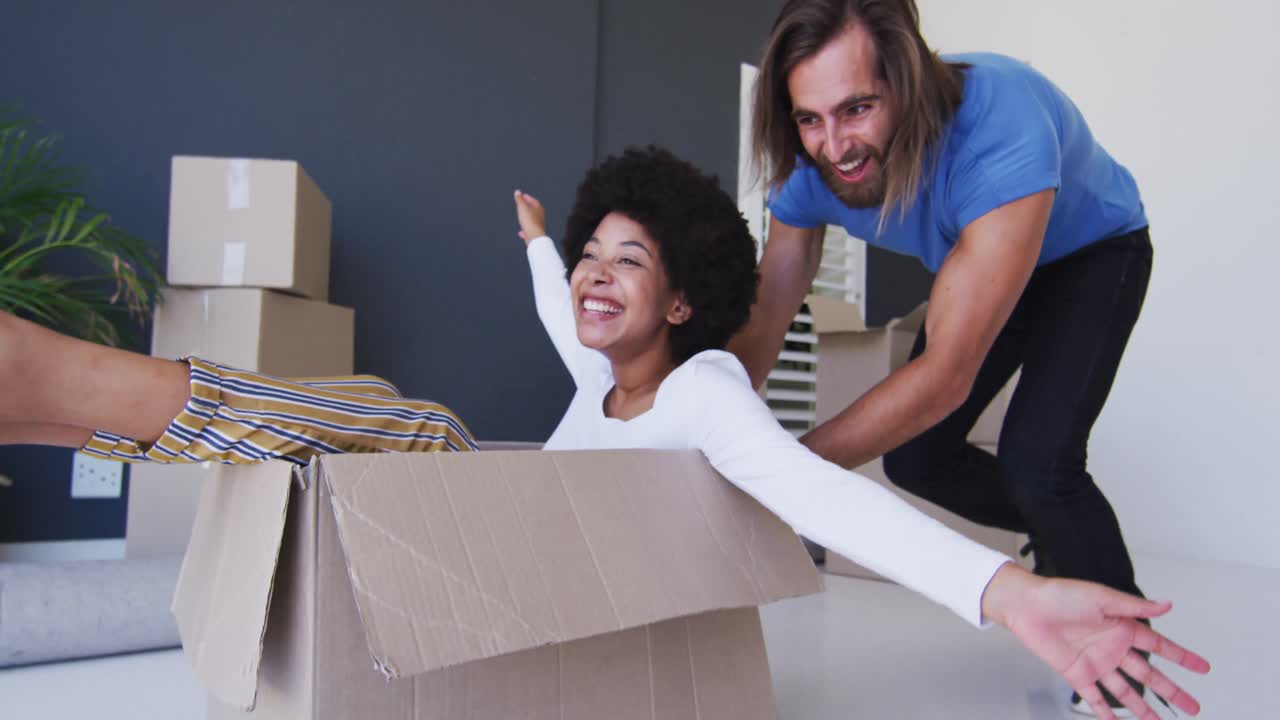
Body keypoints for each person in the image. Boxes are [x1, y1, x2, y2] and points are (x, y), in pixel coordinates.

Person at [512, 145, 1206, 720]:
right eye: (592, 255)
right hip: (533, 631)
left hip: (635, 670)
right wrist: (541, 240)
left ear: (681, 301)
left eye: (629, 261)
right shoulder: (598, 378)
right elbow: (556, 306)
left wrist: (1009, 593)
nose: (598, 273)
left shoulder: (701, 395)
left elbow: (827, 499)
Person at [731, 2, 1158, 714]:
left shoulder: (1002, 123)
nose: (835, 147)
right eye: (810, 119)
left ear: (908, 79)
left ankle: (1126, 662)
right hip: (985, 254)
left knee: (1040, 462)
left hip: (1092, 254)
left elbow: (945, 377)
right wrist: (717, 430)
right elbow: (771, 306)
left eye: (858, 108)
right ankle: (1055, 537)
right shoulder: (809, 166)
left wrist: (783, 473)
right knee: (917, 459)